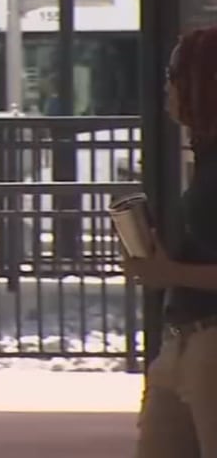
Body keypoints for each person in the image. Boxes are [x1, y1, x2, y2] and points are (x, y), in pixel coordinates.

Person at [126, 26, 217, 457]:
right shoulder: (204, 159)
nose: (167, 87)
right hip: (182, 340)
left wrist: (169, 272)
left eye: (175, 76)